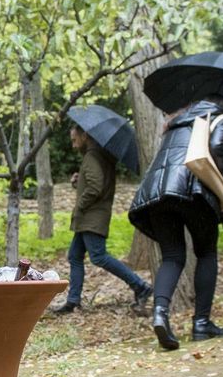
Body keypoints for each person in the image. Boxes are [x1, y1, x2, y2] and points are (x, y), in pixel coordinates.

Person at [127, 98, 223, 351]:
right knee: (206, 253)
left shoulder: (175, 123)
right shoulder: (221, 118)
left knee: (172, 256)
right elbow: (217, 147)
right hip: (193, 191)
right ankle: (201, 323)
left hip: (158, 193)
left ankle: (160, 314)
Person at [54, 124, 152, 315]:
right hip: (90, 217)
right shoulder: (101, 155)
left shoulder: (92, 157)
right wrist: (79, 181)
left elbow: (95, 187)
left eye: (75, 140)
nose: (73, 145)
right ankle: (73, 300)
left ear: (85, 135)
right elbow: (95, 182)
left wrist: (80, 205)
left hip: (91, 217)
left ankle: (140, 286)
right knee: (75, 255)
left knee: (99, 256)